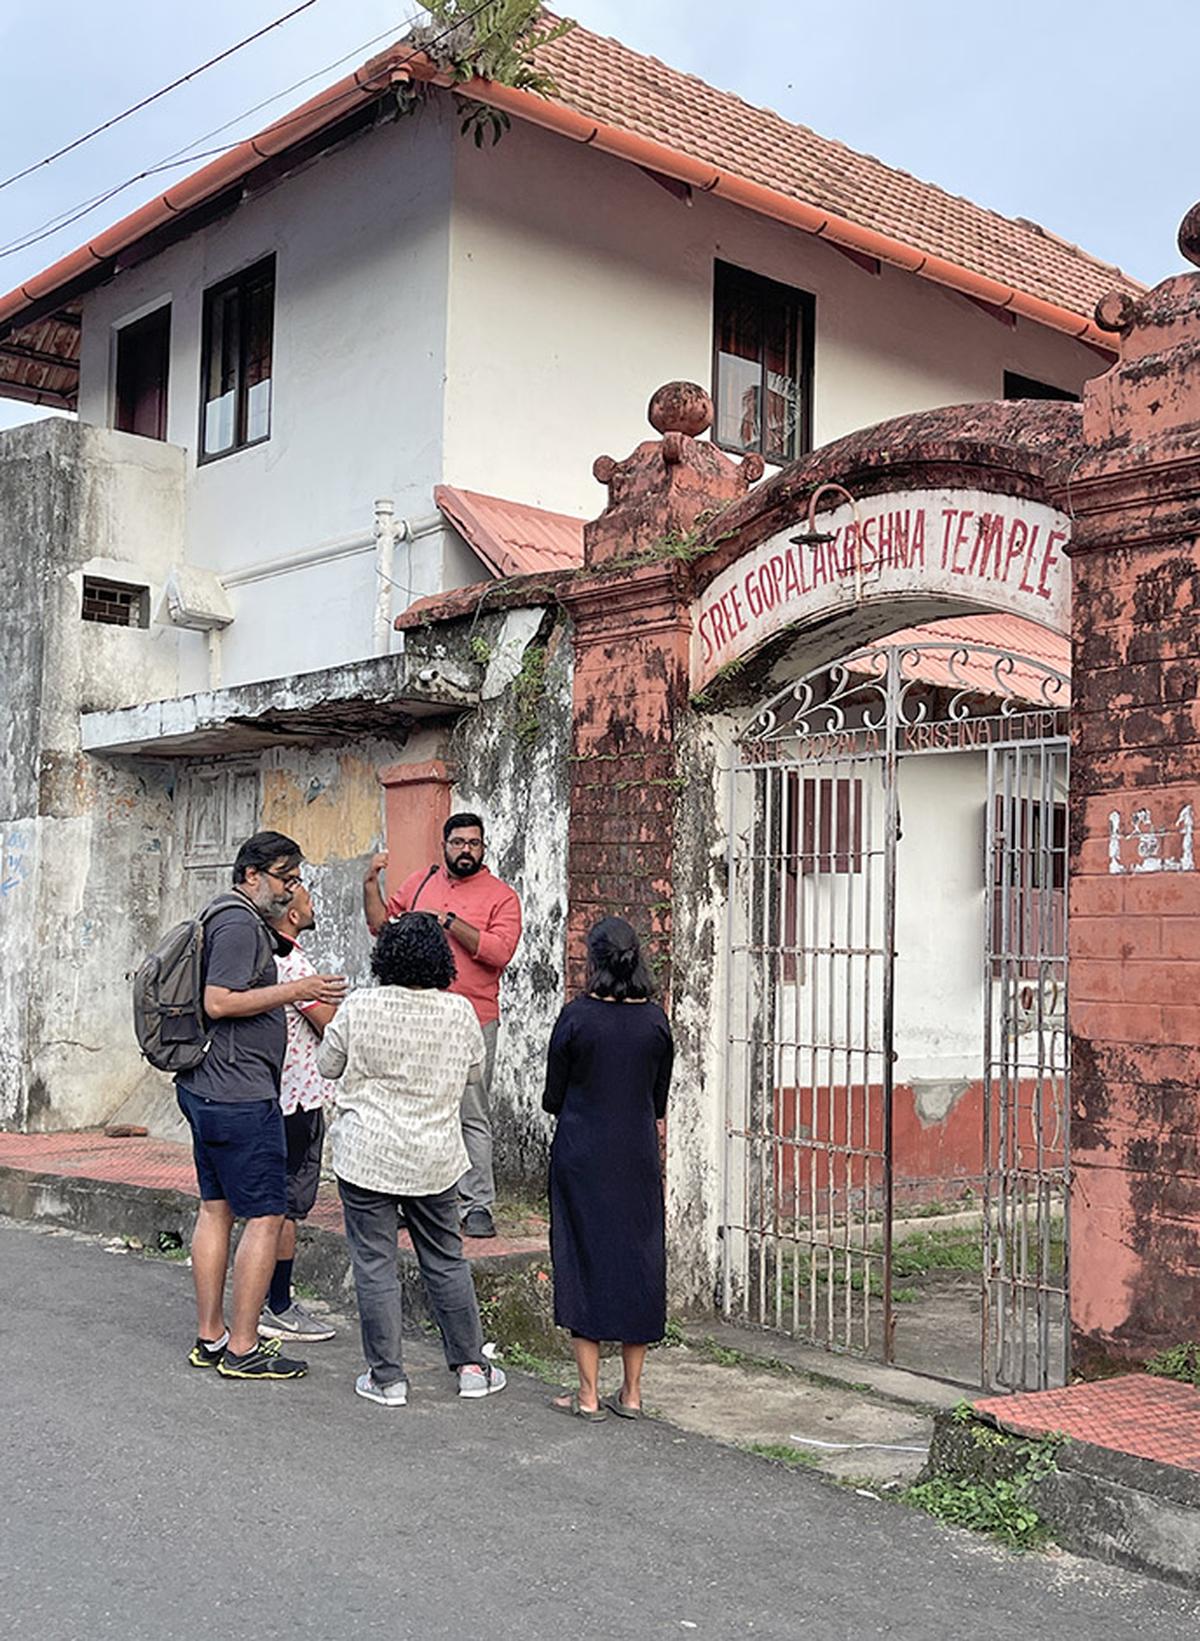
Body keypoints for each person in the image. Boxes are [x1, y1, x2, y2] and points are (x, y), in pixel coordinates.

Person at [317, 913, 507, 1407]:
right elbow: (471, 1076)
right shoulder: (460, 1011)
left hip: (367, 1156)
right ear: (441, 959)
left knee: (375, 1265)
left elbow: (327, 1065)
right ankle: (470, 1367)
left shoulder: (360, 1006)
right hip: (434, 1158)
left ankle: (388, 1379)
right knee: (445, 1260)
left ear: (386, 957)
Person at [177, 831, 347, 1381]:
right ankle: (243, 1347)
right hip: (238, 1094)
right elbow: (219, 1001)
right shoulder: (236, 923)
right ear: (251, 875)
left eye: (295, 879)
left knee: (217, 1208)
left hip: (214, 1088)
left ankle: (212, 1337)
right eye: (284, 877)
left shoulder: (231, 920)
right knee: (267, 1216)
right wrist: (295, 992)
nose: (290, 889)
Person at [362, 812, 521, 1239]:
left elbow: (498, 952)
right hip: (414, 1016)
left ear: (484, 848)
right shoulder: (419, 883)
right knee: (410, 1108)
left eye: (474, 843)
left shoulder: (501, 896)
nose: (465, 849)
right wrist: (369, 884)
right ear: (444, 845)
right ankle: (408, 1197)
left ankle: (477, 1206)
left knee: (471, 1113)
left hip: (473, 1018)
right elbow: (381, 927)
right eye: (458, 842)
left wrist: (448, 921)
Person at [542, 917, 673, 1421]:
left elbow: (553, 1098)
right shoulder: (655, 1022)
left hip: (582, 1154)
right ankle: (633, 1393)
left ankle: (589, 1394)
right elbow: (656, 1101)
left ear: (593, 961)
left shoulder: (576, 1018)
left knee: (582, 1259)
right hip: (636, 1155)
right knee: (638, 1260)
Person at [259, 882, 339, 1345]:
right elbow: (327, 1021)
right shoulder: (294, 963)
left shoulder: (262, 957)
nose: (311, 906)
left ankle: (271, 1298)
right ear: (290, 915)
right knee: (287, 1205)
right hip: (298, 1097)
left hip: (271, 1094)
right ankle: (280, 1304)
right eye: (306, 900)